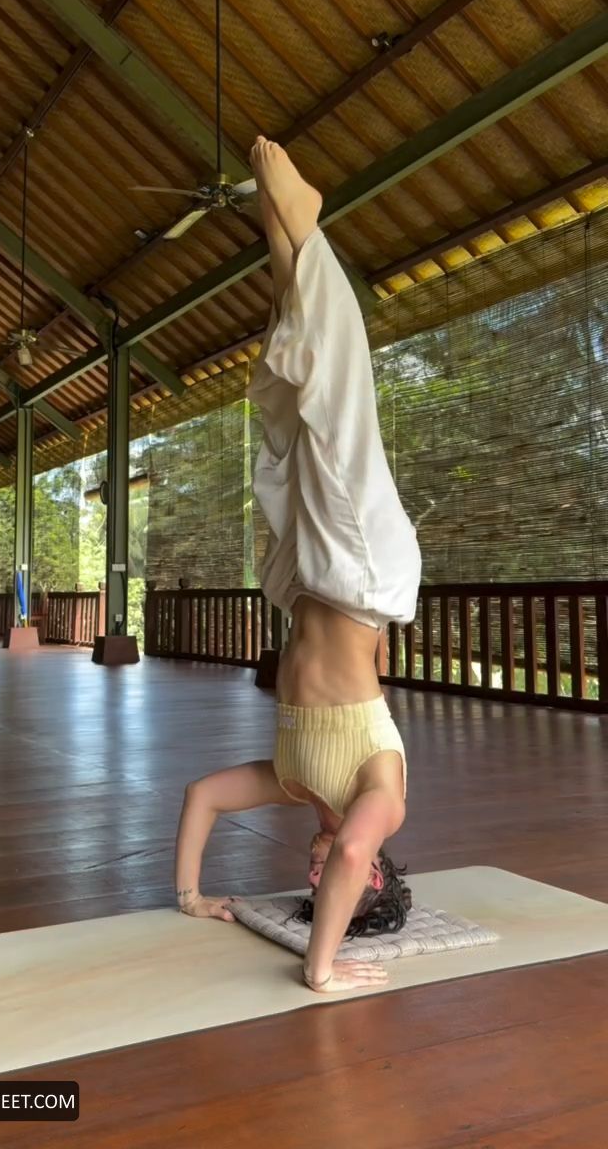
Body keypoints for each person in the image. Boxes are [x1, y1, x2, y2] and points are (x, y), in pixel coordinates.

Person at [174, 137, 421, 993]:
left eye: (310, 885)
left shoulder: (293, 782)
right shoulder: (381, 794)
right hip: (366, 576)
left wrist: (192, 896)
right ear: (375, 870)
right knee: (342, 412)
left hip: (308, 579)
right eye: (337, 884)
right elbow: (351, 848)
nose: (319, 873)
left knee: (286, 419)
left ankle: (281, 242)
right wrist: (321, 967)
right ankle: (307, 228)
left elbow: (203, 796)